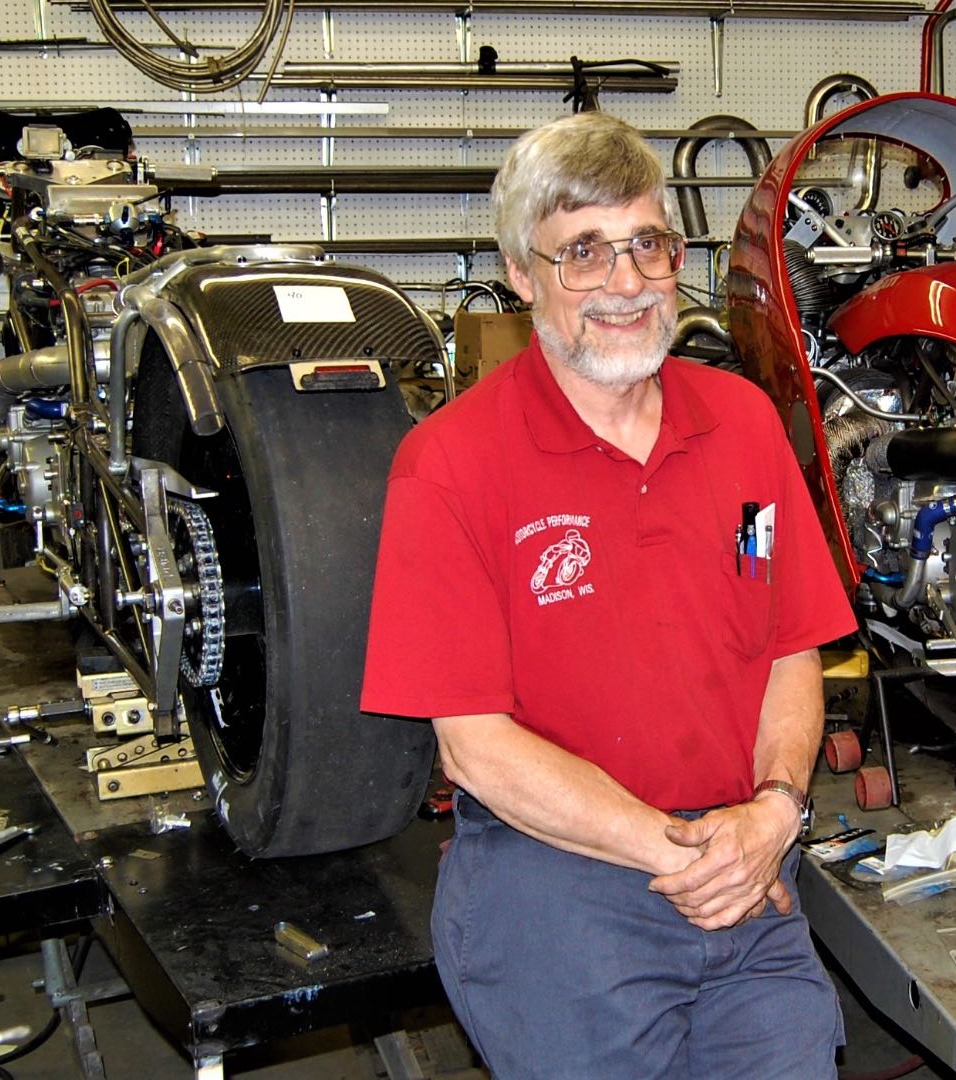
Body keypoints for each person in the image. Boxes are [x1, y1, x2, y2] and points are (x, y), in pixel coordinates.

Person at [361, 111, 857, 1079]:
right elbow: (475, 747)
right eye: (582, 253)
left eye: (645, 245)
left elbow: (784, 646)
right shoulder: (449, 467)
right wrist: (684, 853)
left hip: (745, 869)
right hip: (563, 889)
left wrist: (771, 812)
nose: (624, 284)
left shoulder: (744, 427)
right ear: (520, 274)